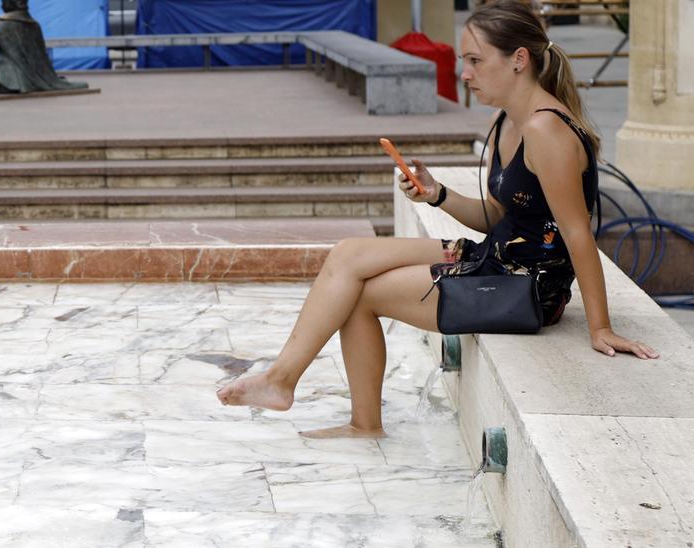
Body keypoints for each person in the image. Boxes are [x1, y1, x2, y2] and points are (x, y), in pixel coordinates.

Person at [216, 0, 658, 439]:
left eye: (474, 61)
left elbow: (578, 233)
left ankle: (347, 416)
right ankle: (283, 378)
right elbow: (496, 216)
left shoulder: (547, 131)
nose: (464, 73)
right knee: (349, 255)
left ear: (519, 60)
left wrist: (600, 327)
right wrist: (438, 195)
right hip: (497, 257)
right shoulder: (507, 122)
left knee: (359, 295)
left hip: (526, 289)